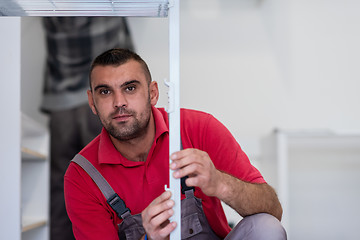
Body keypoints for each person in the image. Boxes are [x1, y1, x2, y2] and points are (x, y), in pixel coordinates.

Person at [64, 48, 287, 240]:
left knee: (266, 228)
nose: (119, 102)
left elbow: (273, 210)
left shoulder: (198, 128)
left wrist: (220, 183)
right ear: (92, 102)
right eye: (105, 92)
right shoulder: (82, 175)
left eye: (130, 88)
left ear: (152, 93)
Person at [42, 17, 134, 240]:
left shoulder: (54, 8)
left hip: (61, 105)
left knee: (60, 188)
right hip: (104, 100)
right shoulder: (103, 8)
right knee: (112, 182)